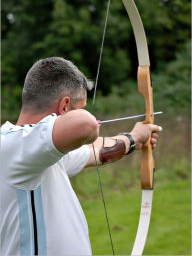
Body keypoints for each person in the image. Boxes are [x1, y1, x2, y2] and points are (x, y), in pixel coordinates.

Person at [0, 57, 162, 256]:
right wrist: (89, 122)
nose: (87, 113)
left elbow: (97, 151)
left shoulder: (38, 153)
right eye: (83, 107)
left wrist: (135, 137)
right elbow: (85, 125)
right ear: (65, 106)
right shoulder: (13, 146)